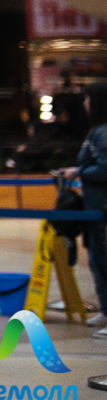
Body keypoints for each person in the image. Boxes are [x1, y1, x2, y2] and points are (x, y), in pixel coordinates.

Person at [73, 81, 107, 336]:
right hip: (93, 207)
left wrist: (81, 171)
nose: (84, 103)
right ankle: (105, 309)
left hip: (102, 207)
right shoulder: (96, 132)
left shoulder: (103, 133)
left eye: (87, 99)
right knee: (97, 260)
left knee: (104, 259)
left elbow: (105, 169)